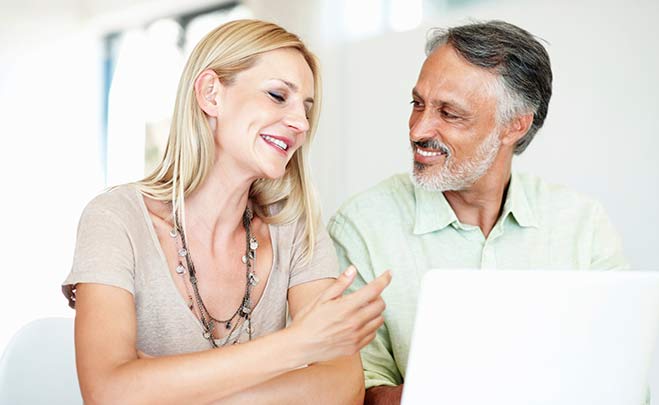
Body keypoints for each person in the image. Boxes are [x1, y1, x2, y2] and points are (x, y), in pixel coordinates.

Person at [62, 19, 391, 405]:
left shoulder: (296, 228)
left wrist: (164, 389)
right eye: (276, 95)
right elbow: (109, 393)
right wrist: (298, 346)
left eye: (306, 107)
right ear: (211, 94)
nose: (301, 123)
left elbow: (343, 387)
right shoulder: (115, 219)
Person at [328, 20, 629, 405]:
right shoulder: (362, 226)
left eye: (449, 114)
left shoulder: (583, 226)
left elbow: (623, 377)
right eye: (417, 103)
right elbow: (351, 391)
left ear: (514, 126)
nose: (419, 129)